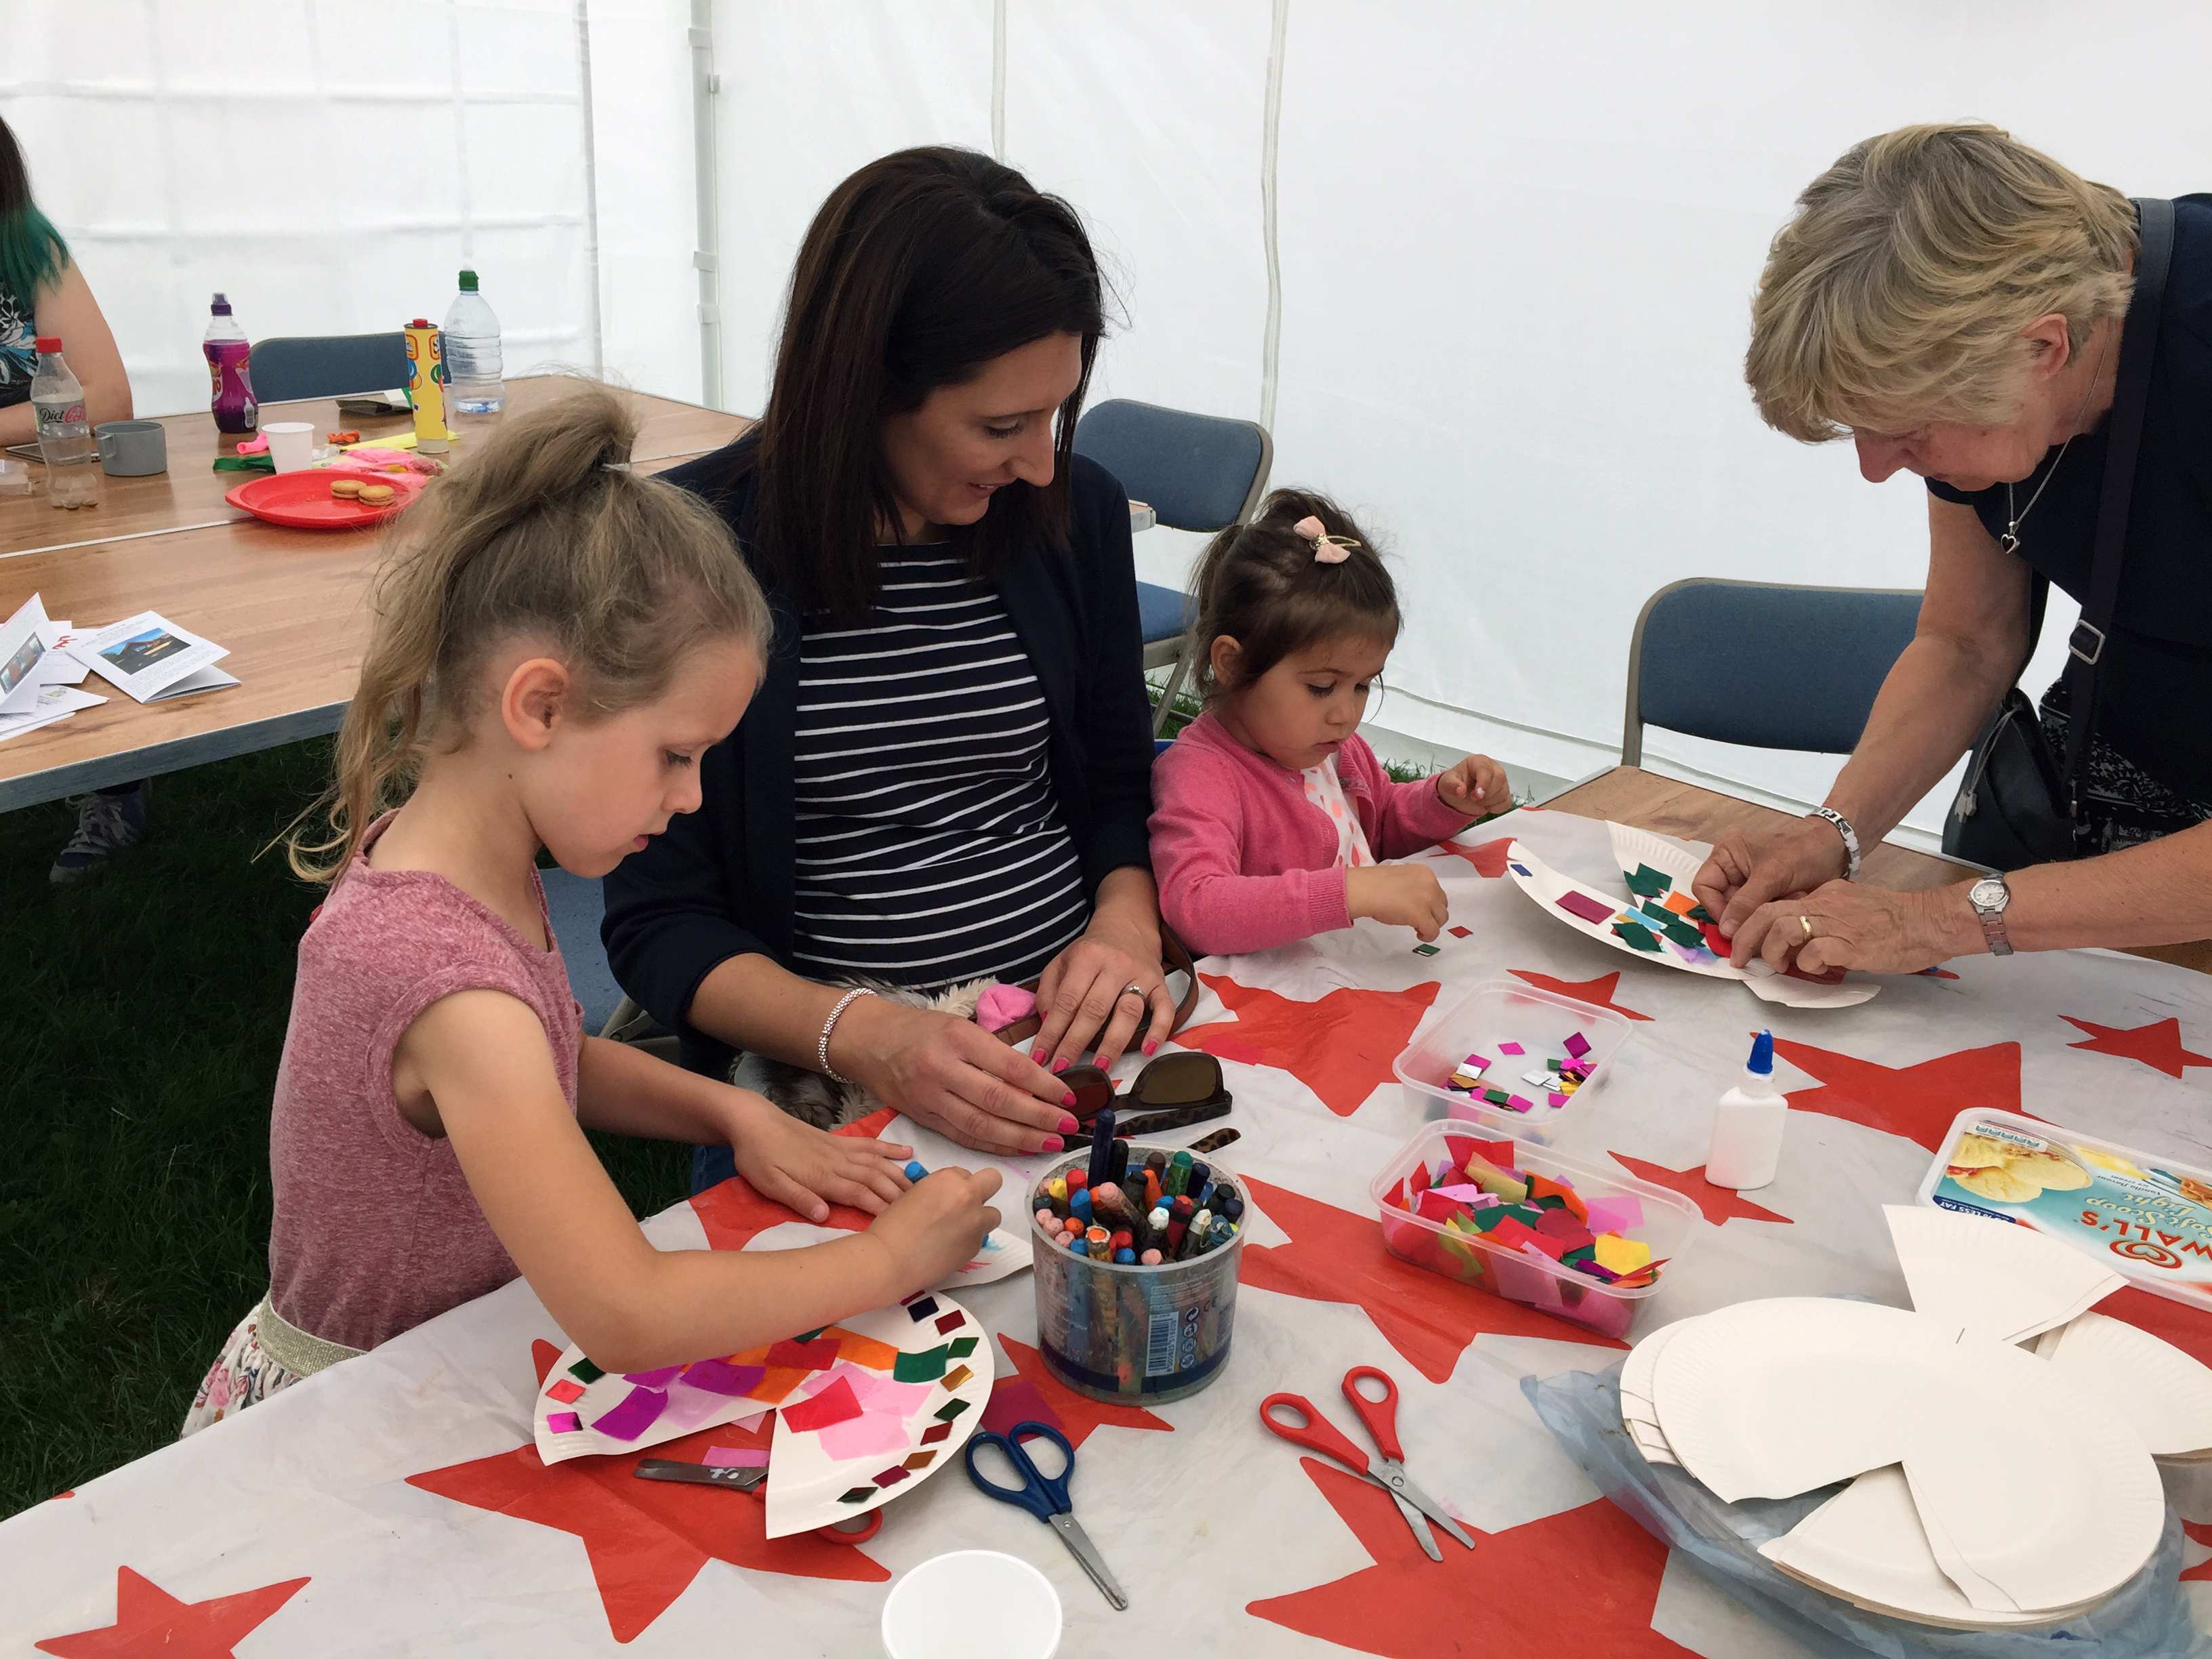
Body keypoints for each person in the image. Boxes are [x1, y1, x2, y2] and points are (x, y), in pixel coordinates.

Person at [182, 389, 1001, 1434]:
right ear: (540, 705)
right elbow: (627, 1311)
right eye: (676, 755)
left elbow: (552, 1056)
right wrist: (886, 1260)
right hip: (366, 1418)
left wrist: (733, 1112)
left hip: (445, 1359)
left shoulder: (457, 861)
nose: (692, 797)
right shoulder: (447, 981)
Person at [602, 148, 1166, 1177]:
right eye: (1001, 426)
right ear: (865, 388)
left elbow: (1123, 779)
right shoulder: (687, 554)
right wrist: (867, 1037)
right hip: (830, 1093)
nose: (1040, 461)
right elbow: (661, 923)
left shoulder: (1071, 512)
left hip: (1079, 1044)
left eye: (1055, 414)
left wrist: (1126, 928)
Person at [1695, 123, 2212, 973]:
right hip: (2114, 785)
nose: (1874, 469)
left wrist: (1936, 923)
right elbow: (1969, 640)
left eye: (1905, 432)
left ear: (2045, 347)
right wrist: (1834, 833)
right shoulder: (1986, 354)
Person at [1147, 489, 1507, 956]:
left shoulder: (1332, 750)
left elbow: (1379, 826)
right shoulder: (1201, 775)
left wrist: (1444, 799)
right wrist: (1349, 892)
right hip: (1269, 993)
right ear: (1233, 664)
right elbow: (1198, 908)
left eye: (1362, 685)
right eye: (1321, 686)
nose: (1346, 714)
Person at [0, 114, 142, 882]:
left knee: (74, 613)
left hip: (41, 491)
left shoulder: (26, 244)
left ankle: (111, 784)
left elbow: (107, 395)